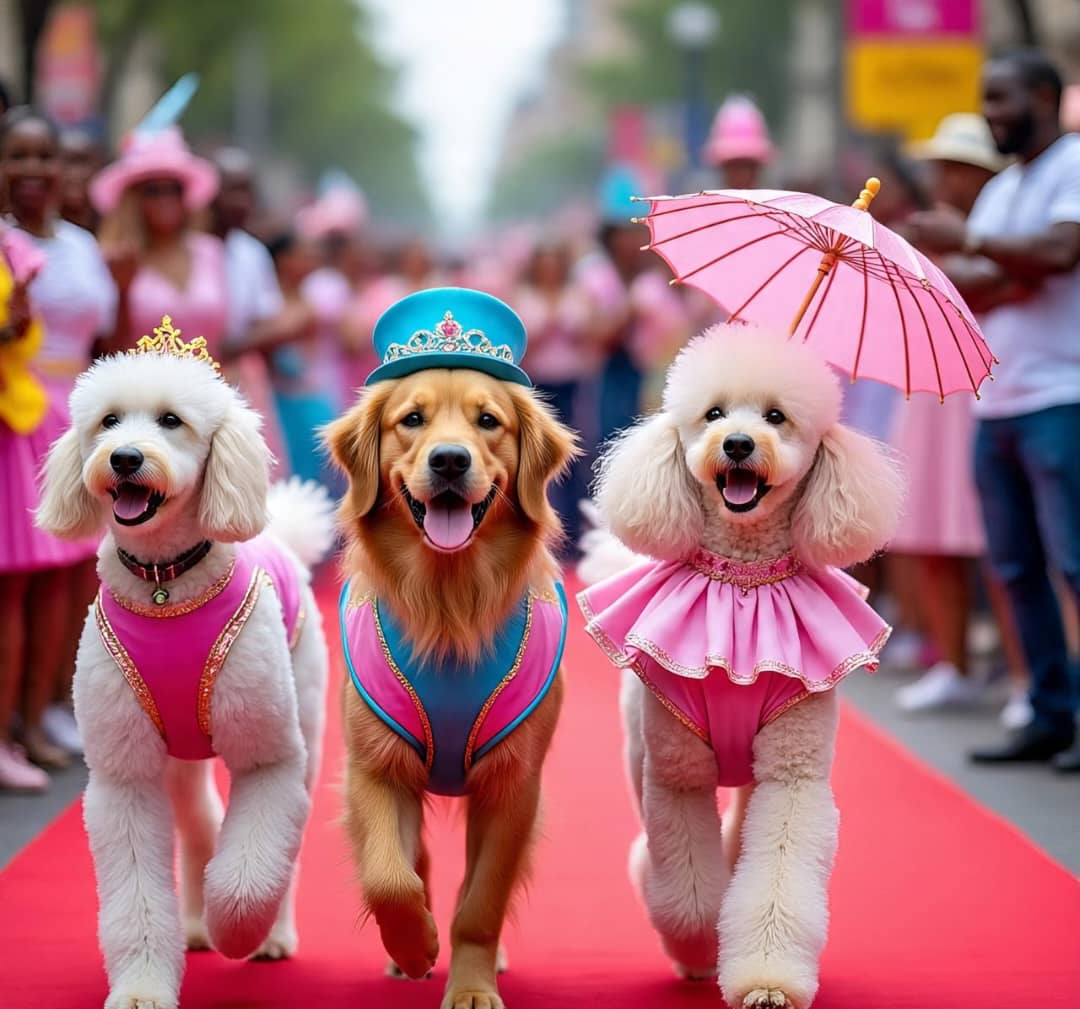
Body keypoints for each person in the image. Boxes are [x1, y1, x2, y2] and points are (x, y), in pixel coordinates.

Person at [908, 49, 1080, 770]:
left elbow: (1061, 249)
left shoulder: (1071, 163)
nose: (992, 111)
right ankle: (1049, 712)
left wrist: (977, 246)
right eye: (987, 99)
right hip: (997, 405)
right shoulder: (1009, 187)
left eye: (1003, 98)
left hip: (1061, 396)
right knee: (1014, 567)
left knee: (1073, 560)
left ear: (1043, 94)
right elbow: (981, 286)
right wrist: (1003, 265)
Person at [891, 113, 1030, 723]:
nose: (942, 178)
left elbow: (997, 291)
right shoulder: (922, 239)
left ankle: (1027, 675)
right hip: (929, 393)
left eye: (956, 167)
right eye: (939, 167)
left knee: (1000, 544)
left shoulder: (1002, 232)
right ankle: (952, 664)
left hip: (987, 389)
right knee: (930, 538)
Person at [0, 108, 116, 787]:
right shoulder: (5, 243)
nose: (38, 170)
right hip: (14, 414)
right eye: (20, 155)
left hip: (73, 414)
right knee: (17, 579)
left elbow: (104, 334)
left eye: (47, 156)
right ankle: (11, 720)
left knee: (70, 572)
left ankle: (42, 711)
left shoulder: (80, 245)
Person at [92, 127, 226, 358]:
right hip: (141, 391)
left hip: (206, 389)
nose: (166, 200)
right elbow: (106, 349)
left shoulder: (210, 252)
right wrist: (123, 292)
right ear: (133, 199)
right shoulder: (114, 259)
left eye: (174, 189)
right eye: (153, 191)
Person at [514, 240, 597, 549]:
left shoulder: (576, 295)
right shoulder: (523, 297)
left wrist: (573, 328)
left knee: (573, 452)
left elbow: (593, 332)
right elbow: (518, 345)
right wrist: (544, 326)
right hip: (538, 383)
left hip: (570, 381)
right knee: (538, 454)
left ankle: (574, 531)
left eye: (554, 264)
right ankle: (540, 527)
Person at [703, 94, 774, 190]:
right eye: (735, 167)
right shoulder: (708, 203)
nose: (742, 176)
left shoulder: (779, 203)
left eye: (748, 167)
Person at [57, 126, 102, 233]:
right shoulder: (38, 226)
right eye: (67, 163)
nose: (75, 174)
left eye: (82, 162)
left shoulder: (112, 224)